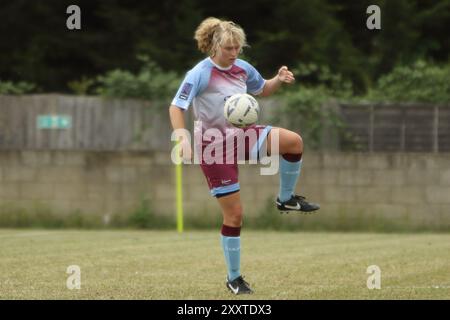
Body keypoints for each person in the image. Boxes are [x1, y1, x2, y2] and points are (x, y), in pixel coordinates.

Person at [169, 17, 320, 295]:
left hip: (242, 136)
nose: (234, 52)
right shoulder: (200, 73)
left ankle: (286, 199)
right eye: (229, 48)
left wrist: (278, 79)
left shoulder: (242, 68)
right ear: (214, 46)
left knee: (293, 142)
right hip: (214, 147)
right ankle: (234, 278)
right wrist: (181, 136)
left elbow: (262, 89)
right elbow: (176, 106)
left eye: (238, 47)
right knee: (235, 216)